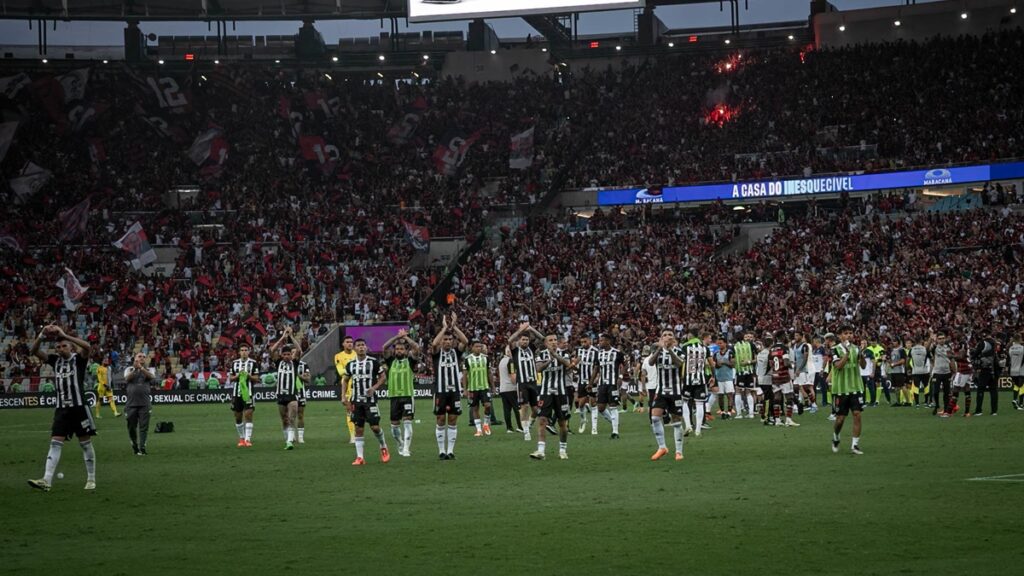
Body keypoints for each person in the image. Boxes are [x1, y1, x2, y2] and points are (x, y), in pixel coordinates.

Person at [27, 325, 98, 492]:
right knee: (55, 443)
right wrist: (42, 334)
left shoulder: (79, 359)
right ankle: (46, 480)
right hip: (62, 409)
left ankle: (91, 478)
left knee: (86, 444)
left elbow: (87, 347)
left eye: (64, 345)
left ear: (71, 347)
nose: (60, 349)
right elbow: (34, 351)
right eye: (58, 347)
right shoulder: (55, 361)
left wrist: (65, 335)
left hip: (79, 407)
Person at [343, 338, 389, 466]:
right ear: (355, 348)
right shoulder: (351, 364)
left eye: (363, 345)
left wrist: (374, 388)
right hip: (356, 401)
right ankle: (360, 457)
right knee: (358, 428)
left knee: (374, 427)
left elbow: (383, 377)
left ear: (366, 347)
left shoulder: (373, 362)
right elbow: (345, 380)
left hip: (370, 401)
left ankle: (383, 446)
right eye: (358, 345)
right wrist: (343, 396)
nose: (361, 347)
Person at [530, 334, 572, 460]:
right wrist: (549, 360)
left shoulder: (563, 353)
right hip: (545, 392)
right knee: (542, 420)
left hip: (561, 393)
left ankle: (563, 449)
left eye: (555, 340)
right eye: (550, 340)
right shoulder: (541, 355)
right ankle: (541, 451)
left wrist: (555, 356)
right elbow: (538, 369)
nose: (553, 342)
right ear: (545, 343)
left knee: (562, 423)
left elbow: (567, 364)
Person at [432, 313, 468, 460]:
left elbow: (465, 341)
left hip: (454, 392)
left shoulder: (456, 352)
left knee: (452, 419)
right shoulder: (436, 353)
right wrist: (444, 328)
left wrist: (454, 327)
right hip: (440, 392)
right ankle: (441, 451)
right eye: (445, 339)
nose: (447, 342)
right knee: (440, 419)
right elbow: (434, 344)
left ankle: (450, 451)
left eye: (449, 339)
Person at [647, 330, 686, 461]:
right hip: (661, 391)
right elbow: (651, 363)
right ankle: (662, 447)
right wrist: (660, 349)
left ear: (674, 340)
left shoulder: (679, 351)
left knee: (676, 422)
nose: (667, 337)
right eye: (664, 335)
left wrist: (669, 350)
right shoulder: (657, 352)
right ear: (661, 338)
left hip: (675, 392)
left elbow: (680, 364)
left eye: (670, 335)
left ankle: (679, 451)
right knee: (655, 418)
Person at [381, 330, 420, 457]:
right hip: (393, 397)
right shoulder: (390, 361)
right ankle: (400, 443)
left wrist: (406, 338)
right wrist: (396, 337)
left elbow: (417, 348)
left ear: (405, 350)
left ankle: (406, 449)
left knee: (407, 421)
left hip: (407, 395)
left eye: (401, 349)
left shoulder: (410, 361)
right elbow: (384, 347)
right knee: (394, 427)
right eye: (397, 349)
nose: (399, 351)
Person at [828, 328, 866, 455]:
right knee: (840, 419)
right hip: (840, 389)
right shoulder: (835, 349)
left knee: (857, 415)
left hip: (856, 388)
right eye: (845, 333)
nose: (849, 335)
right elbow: (838, 366)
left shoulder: (856, 348)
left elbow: (863, 366)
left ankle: (855, 445)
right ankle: (836, 437)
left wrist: (861, 355)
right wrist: (847, 353)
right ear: (840, 336)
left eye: (850, 333)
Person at [270, 327, 306, 450]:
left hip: (292, 395)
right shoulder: (278, 362)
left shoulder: (295, 363)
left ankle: (289, 442)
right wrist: (283, 337)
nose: (286, 356)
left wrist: (291, 336)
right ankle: (288, 439)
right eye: (284, 354)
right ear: (281, 355)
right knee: (284, 420)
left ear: (291, 355)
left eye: (288, 354)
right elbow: (272, 350)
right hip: (280, 395)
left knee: (291, 418)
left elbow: (300, 350)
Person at [508, 322, 544, 441]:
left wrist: (531, 328)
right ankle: (526, 432)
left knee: (535, 409)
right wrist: (520, 330)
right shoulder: (515, 351)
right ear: (519, 340)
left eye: (527, 340)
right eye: (523, 340)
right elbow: (510, 340)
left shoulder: (532, 349)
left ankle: (528, 424)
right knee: (524, 406)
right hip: (522, 383)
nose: (525, 342)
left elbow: (542, 339)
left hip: (533, 382)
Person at [591, 333, 626, 439]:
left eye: (602, 341)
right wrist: (590, 382)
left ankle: (615, 431)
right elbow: (596, 368)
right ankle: (614, 422)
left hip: (613, 383)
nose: (599, 342)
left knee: (613, 406)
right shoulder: (598, 354)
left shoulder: (617, 353)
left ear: (608, 341)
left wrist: (620, 376)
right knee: (600, 408)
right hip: (602, 384)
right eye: (599, 340)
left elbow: (624, 365)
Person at [680, 328, 714, 436]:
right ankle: (698, 430)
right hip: (701, 380)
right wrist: (713, 376)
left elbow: (680, 363)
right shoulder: (705, 348)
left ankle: (688, 425)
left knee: (684, 402)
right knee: (700, 404)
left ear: (690, 335)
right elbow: (712, 364)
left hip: (687, 380)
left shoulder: (685, 347)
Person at [123, 352, 156, 455]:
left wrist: (141, 368)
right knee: (131, 427)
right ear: (135, 358)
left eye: (143, 357)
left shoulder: (149, 369)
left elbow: (152, 377)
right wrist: (136, 369)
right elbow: (127, 378)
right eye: (139, 356)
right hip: (131, 404)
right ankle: (134, 444)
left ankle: (142, 447)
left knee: (144, 427)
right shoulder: (129, 369)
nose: (142, 358)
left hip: (145, 404)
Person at [463, 340, 495, 437]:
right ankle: (479, 430)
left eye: (480, 346)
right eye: (476, 346)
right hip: (473, 388)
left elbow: (489, 373)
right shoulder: (467, 359)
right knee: (475, 408)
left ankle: (485, 424)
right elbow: (465, 375)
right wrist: (465, 389)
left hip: (484, 387)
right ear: (472, 347)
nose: (479, 348)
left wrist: (493, 386)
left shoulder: (486, 358)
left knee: (488, 405)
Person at [229, 344, 258, 447]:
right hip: (236, 393)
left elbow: (257, 379)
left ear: (249, 352)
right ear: (239, 352)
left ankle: (247, 439)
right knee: (238, 417)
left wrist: (248, 375)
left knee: (248, 414)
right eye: (242, 350)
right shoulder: (234, 363)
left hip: (248, 393)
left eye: (246, 350)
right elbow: (230, 378)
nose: (244, 352)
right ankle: (241, 438)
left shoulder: (253, 363)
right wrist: (238, 375)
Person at [335, 335, 357, 444]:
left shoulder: (357, 354)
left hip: (359, 386)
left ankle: (359, 433)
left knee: (360, 412)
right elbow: (341, 372)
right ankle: (352, 436)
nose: (350, 343)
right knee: (349, 411)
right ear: (343, 344)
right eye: (347, 342)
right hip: (348, 387)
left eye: (351, 342)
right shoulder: (338, 356)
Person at [574, 334, 599, 433]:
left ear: (590, 341)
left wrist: (597, 378)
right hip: (582, 381)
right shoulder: (579, 351)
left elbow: (599, 367)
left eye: (585, 342)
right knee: (581, 404)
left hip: (592, 381)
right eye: (582, 342)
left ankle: (594, 428)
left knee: (593, 403)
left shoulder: (596, 352)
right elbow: (576, 363)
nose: (583, 344)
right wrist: (574, 366)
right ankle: (583, 420)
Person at [971, 329, 998, 416]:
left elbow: (975, 354)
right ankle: (994, 411)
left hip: (985, 369)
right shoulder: (995, 343)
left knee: (980, 389)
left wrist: (973, 355)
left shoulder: (983, 343)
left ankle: (979, 410)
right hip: (994, 369)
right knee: (993, 390)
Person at [497, 346, 522, 433]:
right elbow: (512, 376)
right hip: (511, 388)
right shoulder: (510, 361)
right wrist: (518, 384)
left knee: (506, 409)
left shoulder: (501, 361)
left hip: (503, 388)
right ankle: (520, 426)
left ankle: (509, 428)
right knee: (517, 408)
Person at [733, 331, 758, 419]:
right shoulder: (750, 345)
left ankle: (739, 414)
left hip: (740, 372)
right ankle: (751, 413)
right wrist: (749, 362)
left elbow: (732, 360)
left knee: (738, 391)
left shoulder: (734, 346)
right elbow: (756, 358)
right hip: (750, 371)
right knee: (749, 392)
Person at [929, 332, 954, 416]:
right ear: (937, 339)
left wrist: (954, 369)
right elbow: (927, 349)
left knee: (946, 392)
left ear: (945, 339)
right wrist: (930, 339)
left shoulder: (948, 347)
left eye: (943, 338)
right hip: (937, 372)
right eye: (939, 338)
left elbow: (952, 358)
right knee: (935, 392)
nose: (941, 340)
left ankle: (946, 410)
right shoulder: (935, 347)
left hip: (947, 372)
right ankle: (937, 405)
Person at [791, 330, 816, 413]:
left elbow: (805, 358)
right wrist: (794, 368)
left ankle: (813, 404)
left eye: (797, 335)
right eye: (795, 335)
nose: (796, 337)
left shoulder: (805, 346)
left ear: (801, 337)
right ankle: (797, 405)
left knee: (805, 387)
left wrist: (799, 369)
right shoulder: (794, 346)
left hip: (803, 370)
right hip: (797, 369)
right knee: (795, 387)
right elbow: (795, 358)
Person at [713, 335, 735, 419]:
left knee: (729, 395)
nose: (719, 345)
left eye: (721, 343)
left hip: (728, 377)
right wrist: (717, 364)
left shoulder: (730, 352)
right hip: (719, 377)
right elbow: (714, 364)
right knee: (720, 395)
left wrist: (724, 362)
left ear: (725, 343)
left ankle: (729, 412)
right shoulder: (716, 354)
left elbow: (733, 364)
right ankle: (722, 412)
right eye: (718, 343)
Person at [908, 336, 930, 408]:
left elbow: (908, 360)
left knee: (916, 387)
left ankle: (917, 404)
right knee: (926, 386)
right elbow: (931, 358)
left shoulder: (912, 349)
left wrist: (908, 368)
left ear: (914, 341)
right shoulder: (925, 349)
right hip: (925, 371)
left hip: (915, 371)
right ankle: (926, 402)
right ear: (921, 341)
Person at [1009, 333, 1024, 410]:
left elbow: (1010, 358)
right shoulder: (1022, 348)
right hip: (1021, 370)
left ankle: (1016, 400)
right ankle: (1020, 403)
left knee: (1016, 385)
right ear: (1020, 338)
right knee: (1022, 386)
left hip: (1013, 369)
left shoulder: (1011, 348)